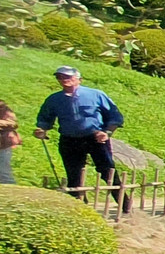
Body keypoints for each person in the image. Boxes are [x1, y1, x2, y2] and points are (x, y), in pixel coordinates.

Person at [34, 65, 124, 207]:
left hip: (95, 138)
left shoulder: (95, 95)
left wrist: (107, 133)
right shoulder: (54, 99)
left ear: (79, 79)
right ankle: (79, 206)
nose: (64, 80)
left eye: (68, 77)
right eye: (60, 77)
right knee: (73, 174)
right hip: (69, 139)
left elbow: (115, 116)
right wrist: (42, 130)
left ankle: (125, 205)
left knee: (107, 171)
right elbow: (45, 118)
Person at [0, 100, 18, 184]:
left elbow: (13, 123)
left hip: (3, 143)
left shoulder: (3, 108)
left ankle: (9, 186)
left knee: (3, 169)